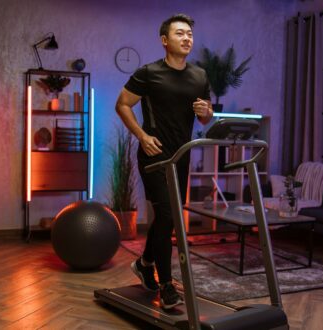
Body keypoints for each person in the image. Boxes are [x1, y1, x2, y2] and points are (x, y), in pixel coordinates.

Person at [115, 13, 213, 309]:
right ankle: (166, 285)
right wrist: (142, 136)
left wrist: (206, 112)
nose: (187, 39)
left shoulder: (199, 76)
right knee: (169, 217)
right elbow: (122, 104)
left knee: (166, 218)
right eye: (180, 34)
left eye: (190, 35)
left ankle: (145, 263)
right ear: (164, 40)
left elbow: (205, 119)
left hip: (181, 156)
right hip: (154, 156)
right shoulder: (148, 73)